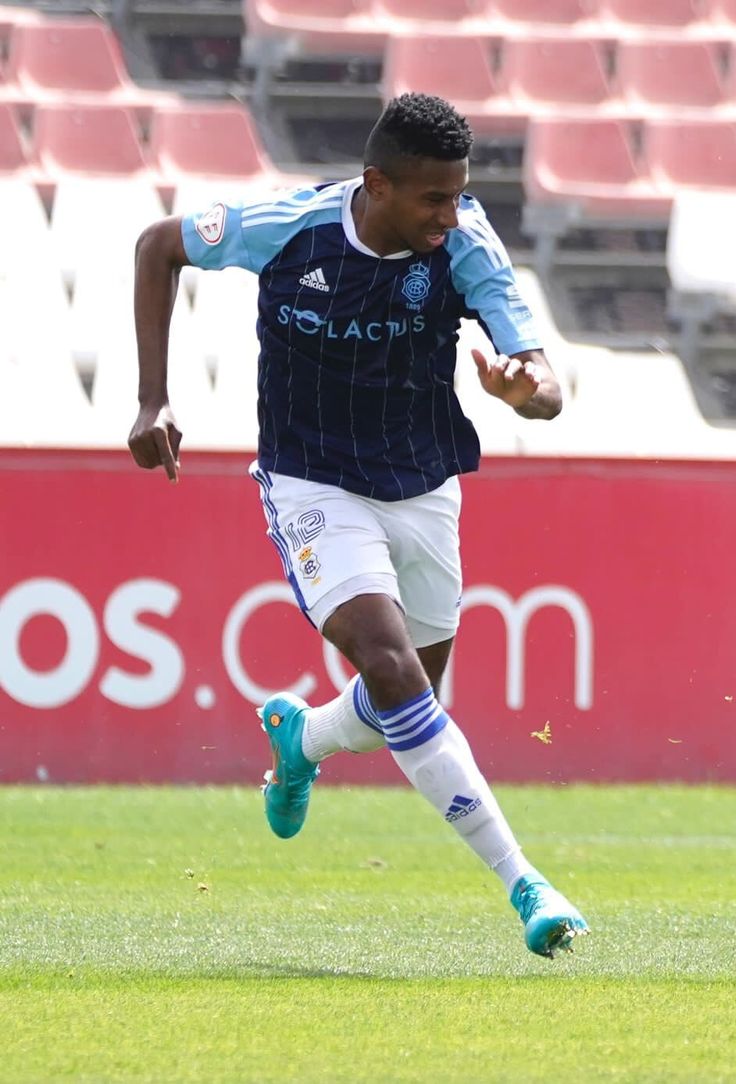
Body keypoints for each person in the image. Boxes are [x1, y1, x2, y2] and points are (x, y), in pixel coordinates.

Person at [127, 93, 588, 958]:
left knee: (402, 698)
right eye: (433, 200)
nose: (450, 217)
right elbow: (158, 246)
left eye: (458, 196)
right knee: (389, 665)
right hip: (312, 483)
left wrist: (531, 394)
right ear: (376, 184)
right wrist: (154, 397)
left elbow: (542, 374)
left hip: (422, 484)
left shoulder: (466, 244)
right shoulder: (289, 228)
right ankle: (525, 882)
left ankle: (301, 737)